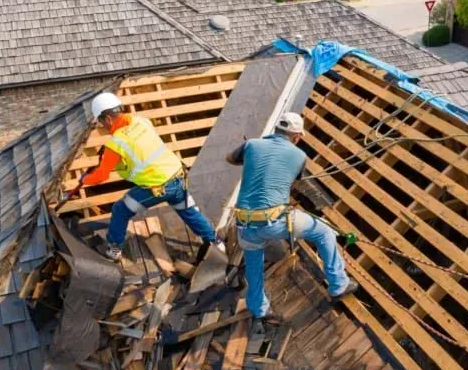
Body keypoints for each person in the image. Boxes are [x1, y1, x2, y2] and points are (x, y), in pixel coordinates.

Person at [227, 112, 358, 319]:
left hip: (244, 224)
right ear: (296, 136)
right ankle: (338, 285)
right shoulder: (299, 155)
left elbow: (230, 158)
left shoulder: (251, 145)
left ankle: (259, 309)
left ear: (276, 131)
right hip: (275, 221)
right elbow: (293, 180)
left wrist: (252, 161)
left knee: (254, 264)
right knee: (324, 232)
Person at [81, 92, 222, 261]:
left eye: (102, 122)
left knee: (120, 210)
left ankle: (114, 249)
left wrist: (84, 180)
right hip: (178, 176)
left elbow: (101, 176)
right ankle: (216, 242)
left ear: (108, 119)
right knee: (188, 211)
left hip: (158, 187)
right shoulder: (141, 121)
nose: (103, 126)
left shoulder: (116, 143)